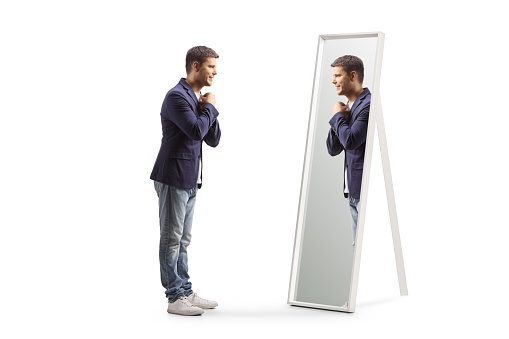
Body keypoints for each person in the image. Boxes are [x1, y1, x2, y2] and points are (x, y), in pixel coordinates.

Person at [150, 46, 221, 316]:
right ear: (195, 66)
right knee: (171, 240)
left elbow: (213, 139)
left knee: (183, 240)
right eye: (211, 66)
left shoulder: (196, 98)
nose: (216, 71)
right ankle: (174, 297)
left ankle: (186, 290)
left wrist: (207, 109)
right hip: (172, 177)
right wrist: (211, 107)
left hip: (190, 179)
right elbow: (194, 131)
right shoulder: (176, 97)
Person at [326, 55, 371, 247]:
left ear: (353, 75)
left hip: (364, 192)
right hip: (351, 192)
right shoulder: (349, 108)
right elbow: (333, 148)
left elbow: (351, 141)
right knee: (357, 248)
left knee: (364, 249)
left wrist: (337, 116)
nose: (333, 80)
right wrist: (340, 116)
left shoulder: (368, 104)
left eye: (337, 75)